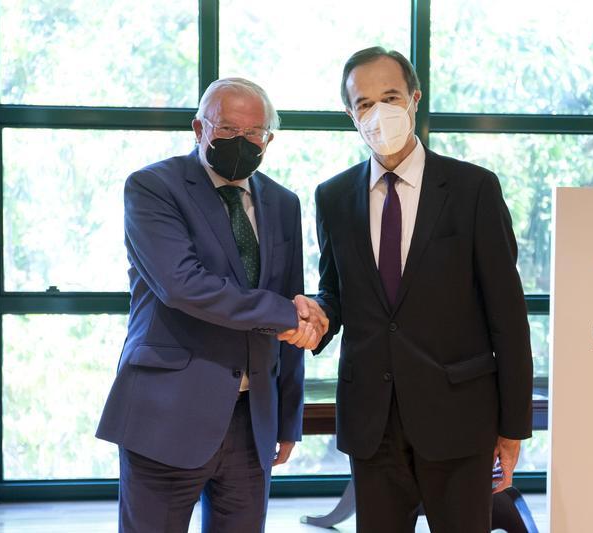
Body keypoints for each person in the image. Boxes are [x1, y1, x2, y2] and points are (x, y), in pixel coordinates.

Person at [309, 47, 534, 533]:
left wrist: (514, 426)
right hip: (372, 422)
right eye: (364, 103)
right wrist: (316, 316)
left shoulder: (473, 189)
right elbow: (336, 293)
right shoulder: (333, 197)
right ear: (351, 115)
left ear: (414, 99)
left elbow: (508, 316)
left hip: (459, 418)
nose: (378, 113)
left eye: (390, 97)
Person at [96, 78, 326, 533]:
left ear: (269, 140)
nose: (242, 141)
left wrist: (287, 417)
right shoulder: (153, 187)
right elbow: (182, 285)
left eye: (254, 133)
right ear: (200, 128)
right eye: (228, 130)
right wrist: (286, 313)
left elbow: (292, 298)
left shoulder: (283, 203)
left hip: (252, 421)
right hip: (167, 413)